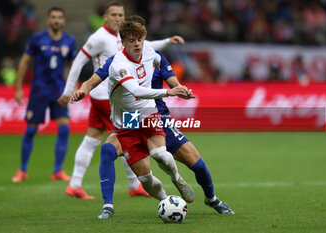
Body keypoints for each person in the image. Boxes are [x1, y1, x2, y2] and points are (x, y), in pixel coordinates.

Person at [58, 1, 185, 199]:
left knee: (92, 138)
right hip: (110, 98)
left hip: (102, 97)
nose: (117, 18)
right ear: (105, 17)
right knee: (127, 139)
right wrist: (69, 90)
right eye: (114, 15)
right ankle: (135, 184)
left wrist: (168, 41)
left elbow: (146, 46)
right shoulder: (99, 37)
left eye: (120, 15)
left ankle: (75, 183)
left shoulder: (126, 39)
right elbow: (79, 61)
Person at [94, 50, 235, 218]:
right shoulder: (119, 61)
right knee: (108, 150)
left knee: (197, 164)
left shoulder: (154, 56)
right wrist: (82, 90)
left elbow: (171, 78)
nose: (136, 43)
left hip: (158, 116)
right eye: (132, 39)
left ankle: (211, 199)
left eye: (139, 38)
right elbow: (98, 76)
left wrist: (180, 89)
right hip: (131, 118)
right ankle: (109, 207)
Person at [12, 7, 76, 182]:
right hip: (39, 91)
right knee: (31, 130)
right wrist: (18, 88)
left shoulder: (70, 41)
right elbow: (25, 62)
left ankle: (57, 171)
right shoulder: (37, 39)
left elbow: (72, 66)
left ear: (63, 21)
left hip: (59, 92)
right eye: (53, 17)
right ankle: (22, 170)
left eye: (59, 17)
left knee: (64, 129)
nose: (56, 20)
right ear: (48, 20)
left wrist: (71, 88)